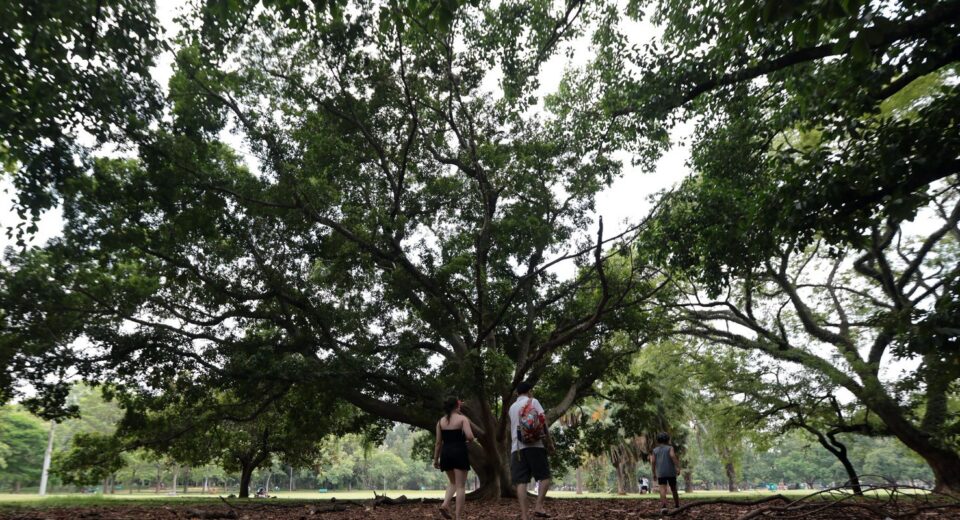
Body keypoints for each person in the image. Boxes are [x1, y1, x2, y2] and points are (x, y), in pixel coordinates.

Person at [509, 381, 554, 520]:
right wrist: (549, 441)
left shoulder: (511, 407)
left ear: (517, 393)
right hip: (535, 445)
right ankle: (538, 506)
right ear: (530, 391)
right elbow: (542, 420)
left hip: (517, 448)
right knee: (545, 477)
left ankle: (524, 515)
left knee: (521, 482)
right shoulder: (533, 401)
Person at [433, 396, 474, 520]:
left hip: (446, 453)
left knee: (452, 482)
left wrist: (436, 459)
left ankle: (445, 504)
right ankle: (458, 517)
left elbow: (438, 443)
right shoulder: (462, 419)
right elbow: (470, 436)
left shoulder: (440, 422)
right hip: (459, 452)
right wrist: (468, 441)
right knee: (461, 486)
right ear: (457, 406)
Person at [649, 432, 681, 512]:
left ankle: (664, 507)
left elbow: (653, 462)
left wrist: (653, 473)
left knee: (662, 489)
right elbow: (673, 456)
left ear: (658, 440)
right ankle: (677, 506)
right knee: (673, 488)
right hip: (671, 472)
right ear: (667, 440)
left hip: (661, 473)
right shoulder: (670, 448)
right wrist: (677, 467)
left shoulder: (655, 450)